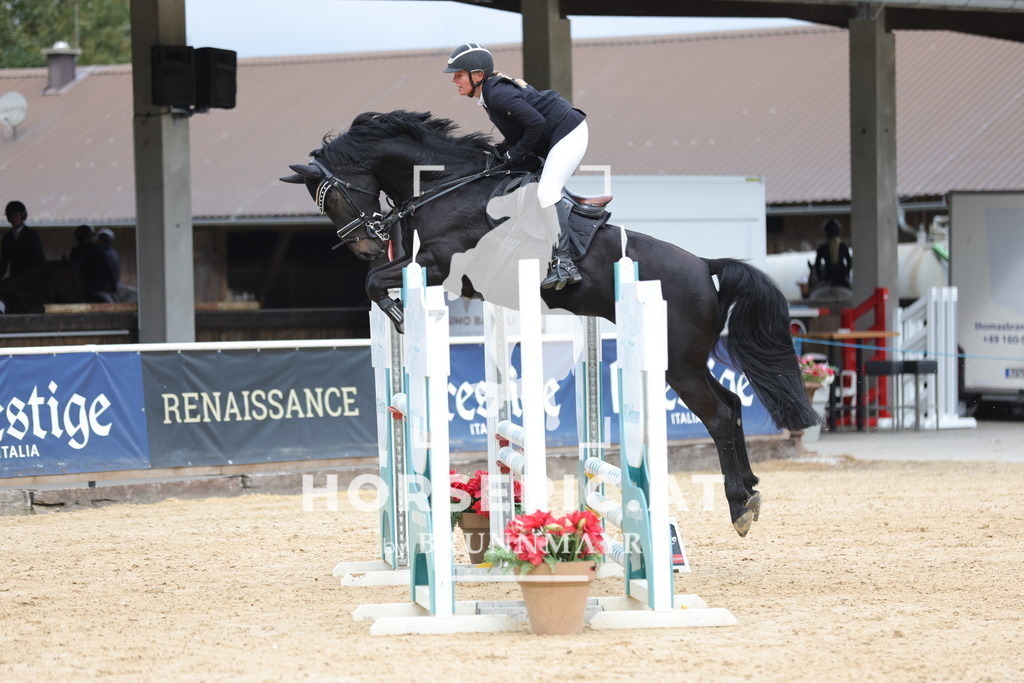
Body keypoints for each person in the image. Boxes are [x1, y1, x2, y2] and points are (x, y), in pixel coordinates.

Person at [444, 43, 589, 290]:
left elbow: (536, 124)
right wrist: (498, 153)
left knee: (546, 193)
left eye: (459, 74)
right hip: (554, 135)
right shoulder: (490, 95)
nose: (455, 80)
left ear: (477, 76)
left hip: (568, 134)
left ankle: (564, 262)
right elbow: (518, 132)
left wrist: (514, 154)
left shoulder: (497, 95)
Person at [69, 224, 118, 303]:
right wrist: (113, 286)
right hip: (98, 289)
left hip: (78, 290)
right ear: (90, 236)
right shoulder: (97, 249)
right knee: (114, 310)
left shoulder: (75, 251)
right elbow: (108, 268)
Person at [1, 200, 46, 281]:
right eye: (11, 216)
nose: (14, 218)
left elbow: (40, 259)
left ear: (22, 216)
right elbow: (3, 262)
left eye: (16, 215)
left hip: (31, 279)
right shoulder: (7, 238)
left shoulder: (32, 235)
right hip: (15, 279)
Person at [813, 217, 852, 290]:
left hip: (827, 278)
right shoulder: (843, 246)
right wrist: (846, 274)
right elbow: (849, 262)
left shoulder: (822, 247)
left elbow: (817, 265)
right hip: (842, 278)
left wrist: (821, 279)